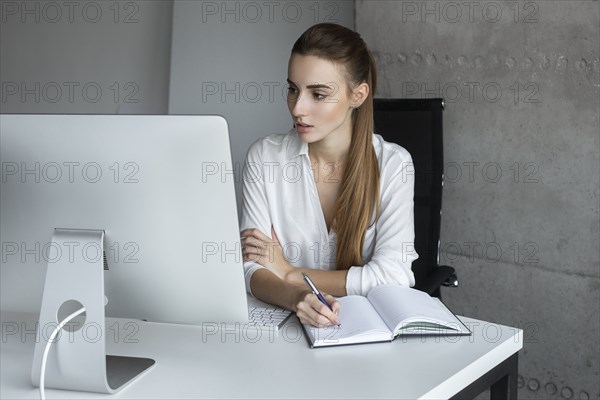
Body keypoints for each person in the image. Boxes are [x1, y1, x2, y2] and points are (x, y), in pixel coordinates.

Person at [240, 23, 418, 328]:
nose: (298, 108)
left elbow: (394, 276)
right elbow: (252, 267)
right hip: (286, 327)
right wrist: (296, 298)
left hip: (362, 331)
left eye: (318, 95)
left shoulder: (394, 165)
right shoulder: (265, 157)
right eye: (293, 89)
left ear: (358, 95)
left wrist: (291, 273)